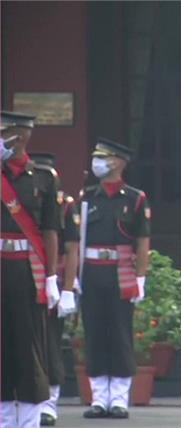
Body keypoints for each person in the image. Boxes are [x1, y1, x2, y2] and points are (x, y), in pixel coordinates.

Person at [79, 137, 150, 419]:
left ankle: (119, 397)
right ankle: (99, 397)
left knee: (120, 334)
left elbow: (142, 241)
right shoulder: (87, 197)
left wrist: (141, 278)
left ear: (119, 162)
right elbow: (77, 240)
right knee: (94, 333)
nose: (98, 162)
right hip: (92, 272)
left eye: (104, 157)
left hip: (121, 273)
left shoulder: (135, 198)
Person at [0, 111, 61, 427]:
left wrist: (51, 276)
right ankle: (5, 417)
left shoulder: (44, 177)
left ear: (20, 136)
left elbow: (51, 230)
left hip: (28, 269)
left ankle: (31, 416)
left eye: (3, 132)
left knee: (31, 344)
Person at [28, 154, 78, 426]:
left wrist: (68, 288)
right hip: (23, 274)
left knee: (50, 344)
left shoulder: (64, 205)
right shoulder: (20, 199)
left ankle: (49, 402)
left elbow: (71, 249)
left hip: (51, 279)